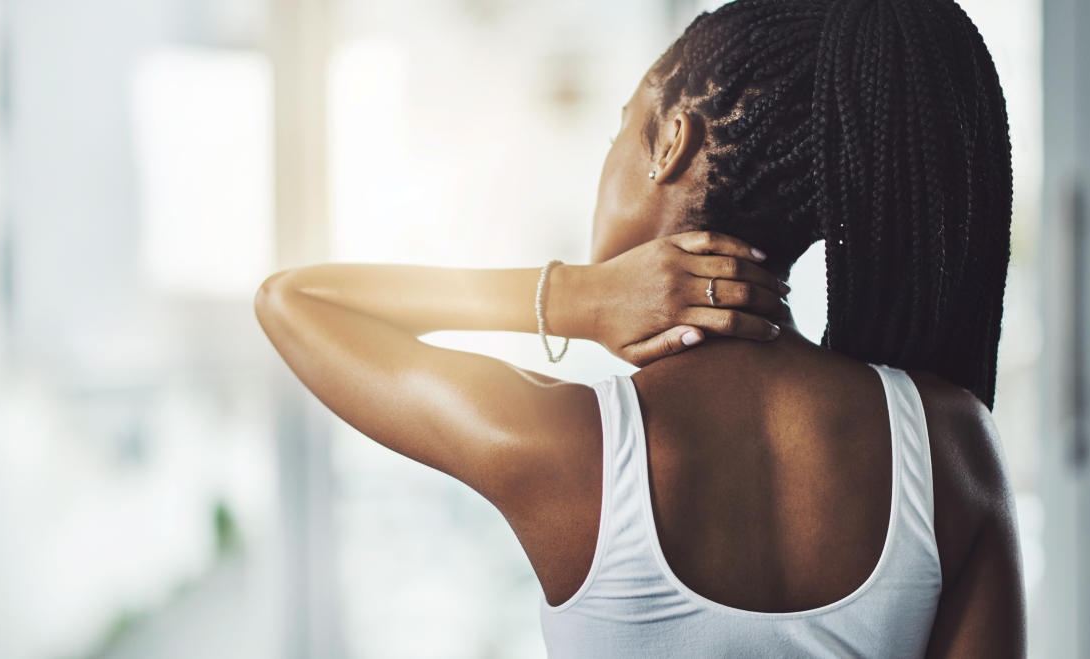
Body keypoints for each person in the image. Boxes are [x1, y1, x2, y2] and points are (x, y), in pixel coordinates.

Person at [255, 0, 1025, 655]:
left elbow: (293, 302)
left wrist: (572, 299)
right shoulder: (950, 443)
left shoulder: (571, 446)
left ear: (670, 142)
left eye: (620, 129)